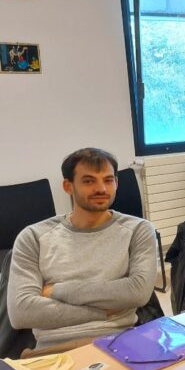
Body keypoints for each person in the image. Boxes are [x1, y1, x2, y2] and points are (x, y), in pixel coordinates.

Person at [8, 148, 157, 352]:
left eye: (108, 180)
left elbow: (137, 292)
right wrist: (105, 311)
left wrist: (57, 290)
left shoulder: (138, 230)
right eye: (89, 181)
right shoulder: (33, 236)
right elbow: (22, 312)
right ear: (68, 186)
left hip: (120, 344)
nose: (101, 188)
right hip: (54, 350)